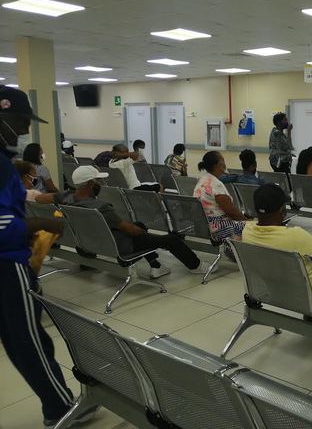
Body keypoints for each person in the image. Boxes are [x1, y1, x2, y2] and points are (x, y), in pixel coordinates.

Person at [0, 86, 98, 427]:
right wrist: (35, 225)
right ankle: (60, 408)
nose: (27, 128)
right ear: (3, 116)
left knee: (16, 337)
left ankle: (54, 404)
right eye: (22, 119)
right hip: (8, 264)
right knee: (30, 338)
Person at [57, 165, 208, 278]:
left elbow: (41, 198)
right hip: (119, 246)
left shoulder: (67, 200)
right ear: (90, 184)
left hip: (89, 244)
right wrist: (142, 233)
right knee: (170, 239)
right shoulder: (100, 207)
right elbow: (131, 231)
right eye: (98, 180)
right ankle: (196, 266)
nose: (101, 183)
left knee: (139, 226)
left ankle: (156, 265)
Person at [242, 183, 312, 307]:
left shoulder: (247, 231)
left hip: (273, 293)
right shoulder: (296, 236)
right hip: (310, 298)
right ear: (282, 210)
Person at [194, 151, 249, 243]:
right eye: (222, 160)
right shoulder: (216, 185)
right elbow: (231, 212)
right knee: (254, 228)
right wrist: (248, 222)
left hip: (205, 225)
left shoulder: (203, 179)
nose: (224, 162)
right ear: (218, 165)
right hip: (218, 227)